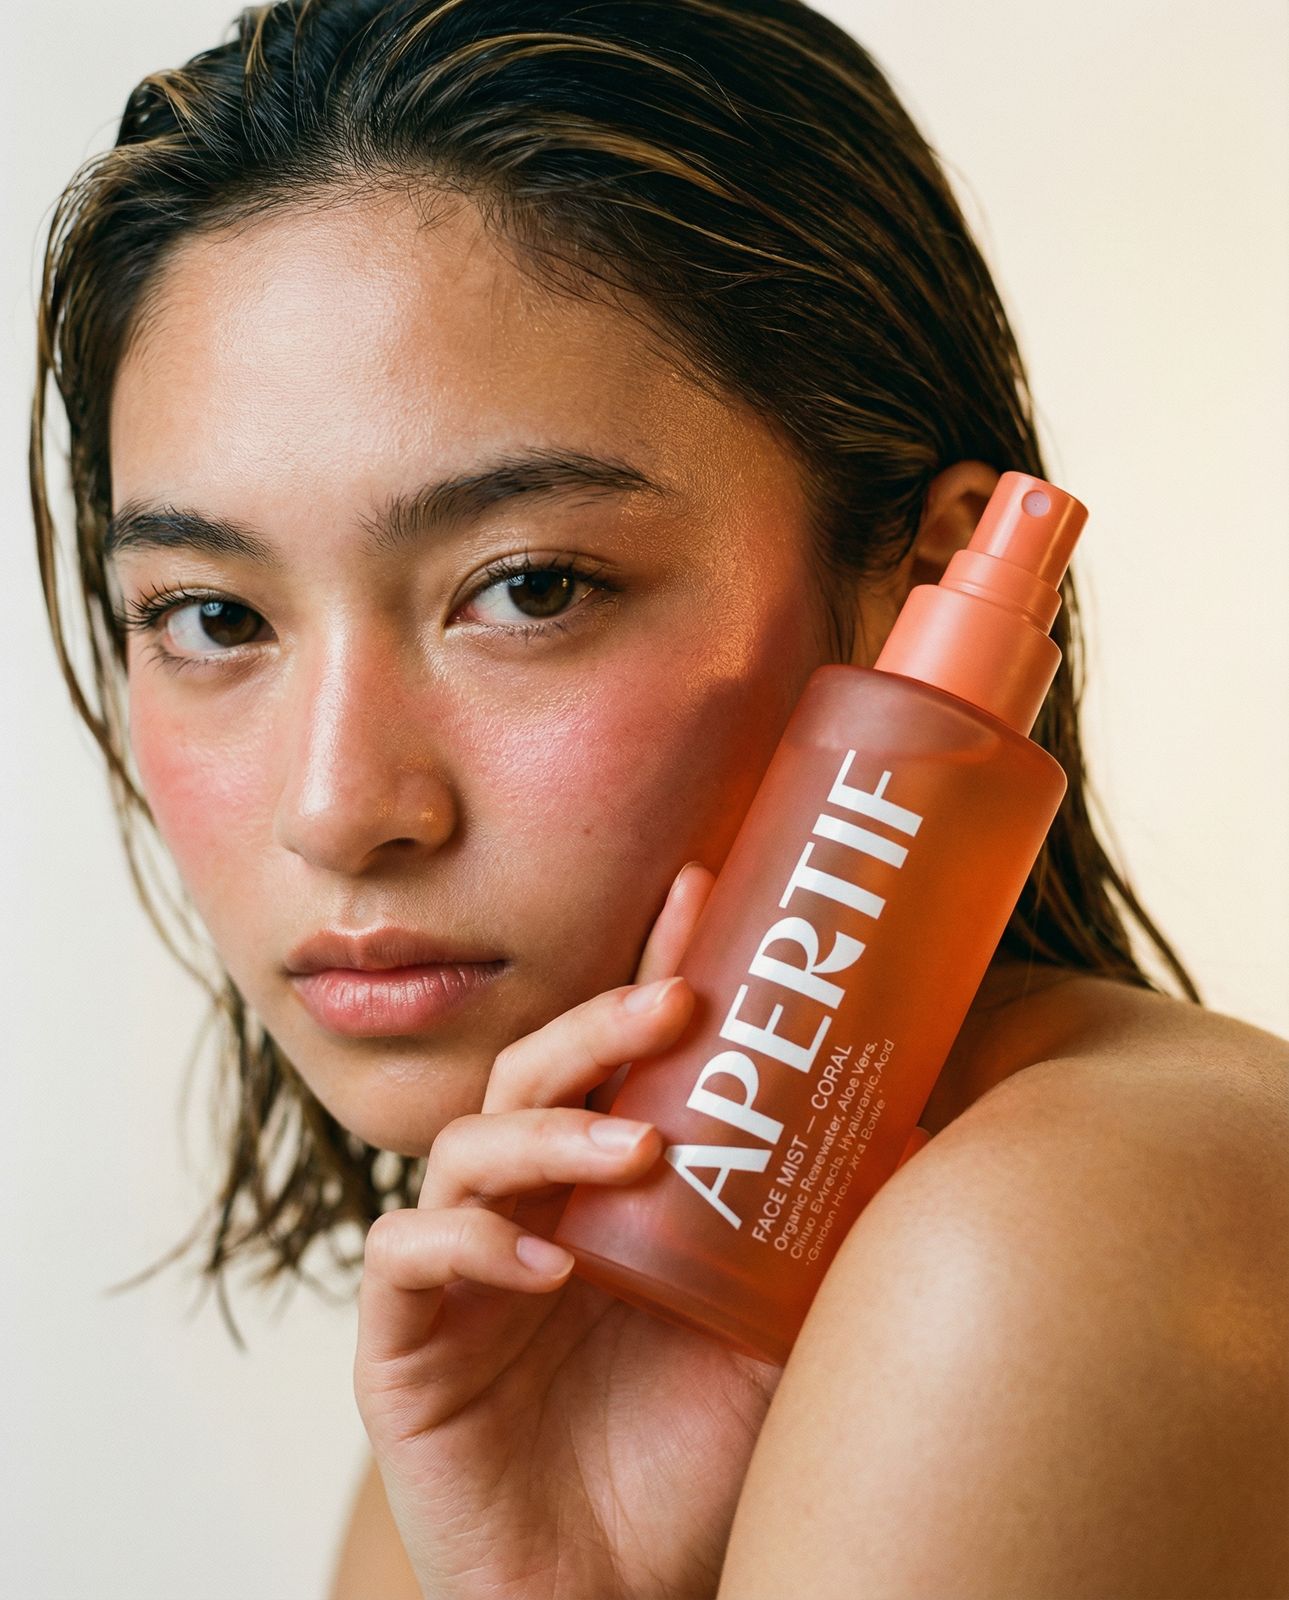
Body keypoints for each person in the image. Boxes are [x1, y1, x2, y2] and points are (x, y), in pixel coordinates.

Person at [30, 1, 1288, 1595]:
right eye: (212, 617)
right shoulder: (541, 1354)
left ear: (921, 589)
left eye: (530, 586)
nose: (343, 806)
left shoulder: (1055, 1238)